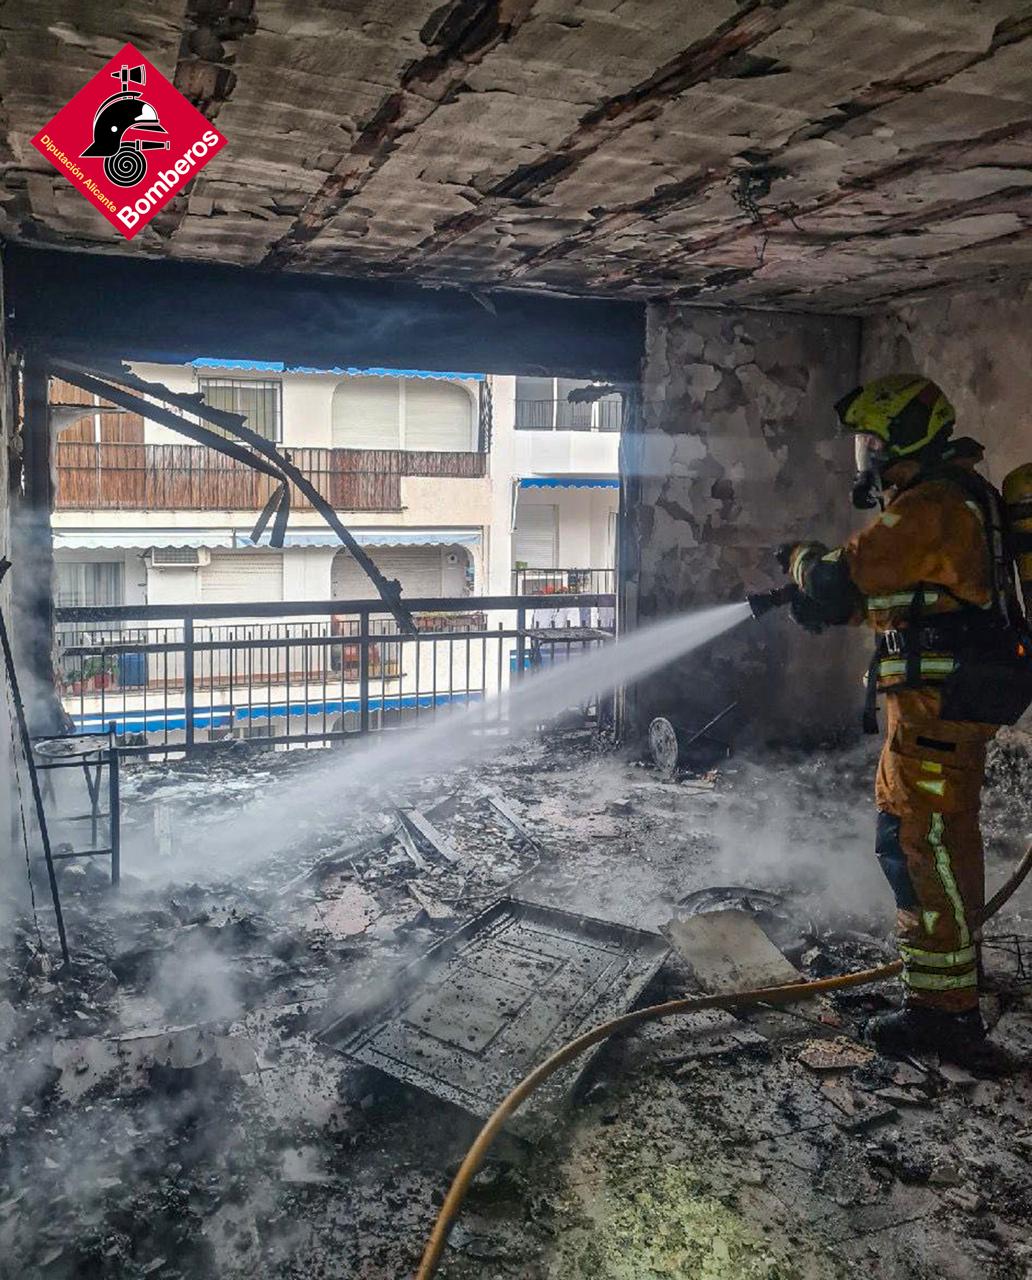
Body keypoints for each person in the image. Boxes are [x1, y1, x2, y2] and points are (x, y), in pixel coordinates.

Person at [777, 374, 1031, 1062]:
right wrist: (834, 610)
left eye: (871, 440)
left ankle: (944, 1016)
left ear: (903, 438)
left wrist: (800, 564)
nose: (866, 455)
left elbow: (841, 573)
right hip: (940, 711)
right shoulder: (954, 502)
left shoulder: (933, 505)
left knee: (920, 847)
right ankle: (952, 985)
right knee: (938, 844)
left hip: (934, 714)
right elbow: (914, 603)